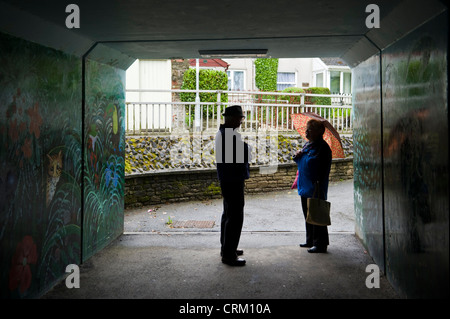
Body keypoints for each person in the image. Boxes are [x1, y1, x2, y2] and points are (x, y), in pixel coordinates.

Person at [215, 105, 251, 266]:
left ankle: (227, 248)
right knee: (235, 216)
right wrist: (246, 149)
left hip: (228, 179)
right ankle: (229, 255)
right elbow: (235, 160)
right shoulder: (228, 135)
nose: (241, 121)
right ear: (230, 118)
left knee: (228, 214)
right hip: (233, 180)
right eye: (239, 118)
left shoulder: (225, 133)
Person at [293, 119, 332, 253]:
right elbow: (301, 162)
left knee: (317, 214)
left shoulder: (322, 147)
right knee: (307, 214)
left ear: (319, 132)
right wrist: (297, 155)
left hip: (316, 186)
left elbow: (315, 165)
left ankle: (320, 244)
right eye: (307, 129)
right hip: (305, 185)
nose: (306, 132)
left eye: (310, 129)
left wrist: (305, 156)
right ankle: (310, 240)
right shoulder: (308, 145)